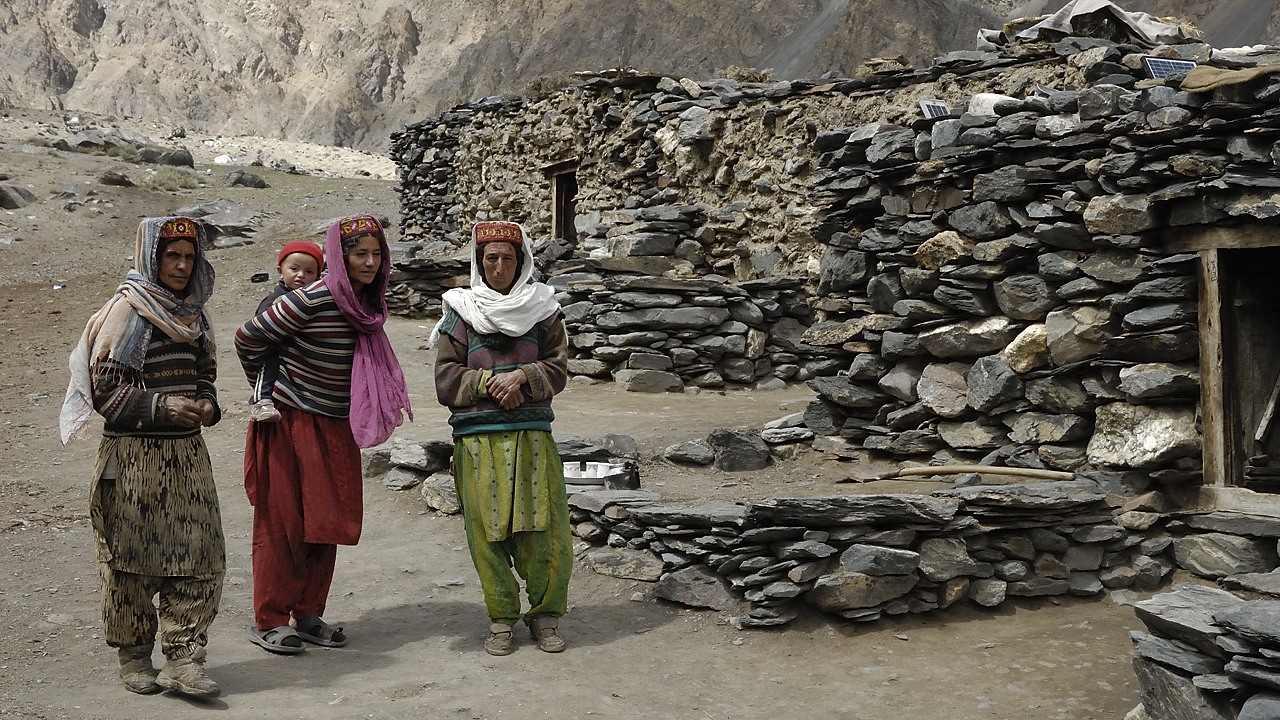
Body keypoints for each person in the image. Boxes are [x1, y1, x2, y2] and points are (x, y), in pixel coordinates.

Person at [58, 216, 225, 698]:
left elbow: (206, 375)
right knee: (130, 566)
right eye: (171, 256)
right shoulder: (125, 312)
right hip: (132, 461)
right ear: (150, 257)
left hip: (187, 460)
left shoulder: (195, 316)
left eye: (189, 257)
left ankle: (184, 660)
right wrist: (162, 405)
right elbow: (104, 393)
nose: (181, 265)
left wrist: (207, 406)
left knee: (200, 559)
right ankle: (134, 657)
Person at [235, 214, 412, 654]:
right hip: (290, 423)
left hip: (337, 424)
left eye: (376, 253)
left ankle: (309, 613)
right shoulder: (312, 297)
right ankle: (270, 618)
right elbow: (248, 339)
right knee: (283, 524)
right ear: (341, 256)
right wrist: (271, 390)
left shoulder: (367, 306)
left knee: (325, 523)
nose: (369, 262)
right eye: (359, 254)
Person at [432, 220, 572, 656]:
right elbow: (444, 378)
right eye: (490, 258)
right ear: (479, 262)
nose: (498, 266)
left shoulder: (544, 310)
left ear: (522, 262)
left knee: (543, 529)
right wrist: (494, 382)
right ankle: (501, 618)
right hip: (478, 441)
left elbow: (559, 366)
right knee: (487, 532)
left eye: (507, 258)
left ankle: (546, 615)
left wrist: (524, 378)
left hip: (531, 434)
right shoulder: (460, 311)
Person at [247, 241, 325, 423]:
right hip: (274, 349)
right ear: (280, 271)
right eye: (294, 269)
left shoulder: (312, 298)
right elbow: (259, 326)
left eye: (309, 272)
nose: (301, 276)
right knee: (268, 368)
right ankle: (260, 401)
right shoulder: (276, 298)